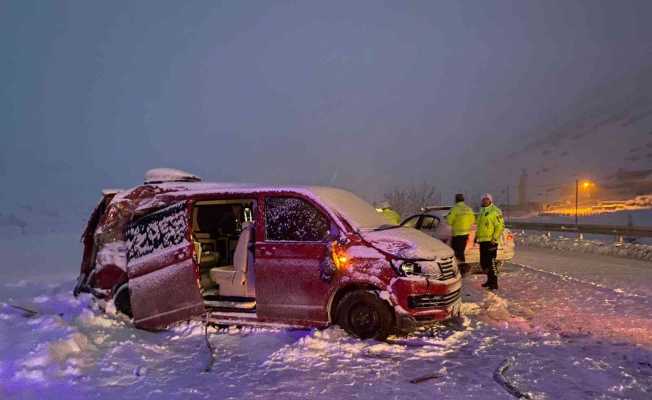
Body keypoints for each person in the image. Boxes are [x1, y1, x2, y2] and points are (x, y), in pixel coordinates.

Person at [475, 193, 504, 290]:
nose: (485, 201)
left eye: (487, 199)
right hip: (483, 241)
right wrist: (476, 236)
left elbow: (500, 226)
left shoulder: (495, 211)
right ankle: (489, 280)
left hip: (491, 241)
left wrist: (494, 238)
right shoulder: (482, 211)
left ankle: (494, 283)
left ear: (490, 200)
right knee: (483, 263)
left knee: (491, 263)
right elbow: (479, 226)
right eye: (483, 199)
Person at [446, 194, 476, 275]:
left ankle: (462, 269)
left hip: (457, 234)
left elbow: (449, 221)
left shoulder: (455, 209)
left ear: (456, 200)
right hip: (466, 234)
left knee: (456, 252)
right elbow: (473, 220)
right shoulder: (468, 209)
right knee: (461, 252)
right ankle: (462, 269)